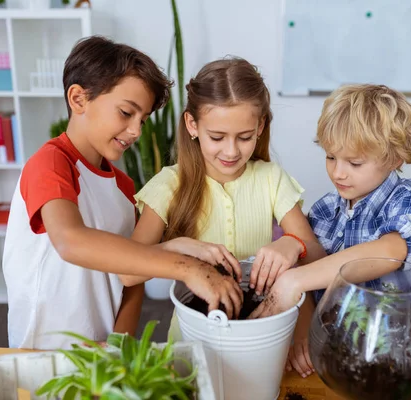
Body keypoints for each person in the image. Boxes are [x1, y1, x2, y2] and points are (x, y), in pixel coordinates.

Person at [2, 36, 242, 350]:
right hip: (42, 350)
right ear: (79, 99)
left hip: (102, 350)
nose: (136, 131)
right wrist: (188, 268)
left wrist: (119, 344)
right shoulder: (50, 164)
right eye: (126, 113)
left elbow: (131, 275)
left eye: (143, 120)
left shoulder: (123, 187)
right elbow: (71, 240)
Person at [119, 57, 324, 340]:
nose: (231, 152)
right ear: (192, 125)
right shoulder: (169, 184)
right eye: (216, 137)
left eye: (244, 137)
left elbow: (316, 255)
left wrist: (294, 244)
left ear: (260, 126)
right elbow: (128, 273)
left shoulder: (271, 178)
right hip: (191, 337)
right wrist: (177, 246)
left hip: (261, 334)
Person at [250, 84, 411, 378]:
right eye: (331, 157)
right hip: (342, 357)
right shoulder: (324, 211)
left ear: (395, 158)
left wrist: (293, 281)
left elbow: (389, 252)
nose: (338, 172)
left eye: (355, 162)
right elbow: (312, 284)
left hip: (406, 359)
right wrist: (301, 332)